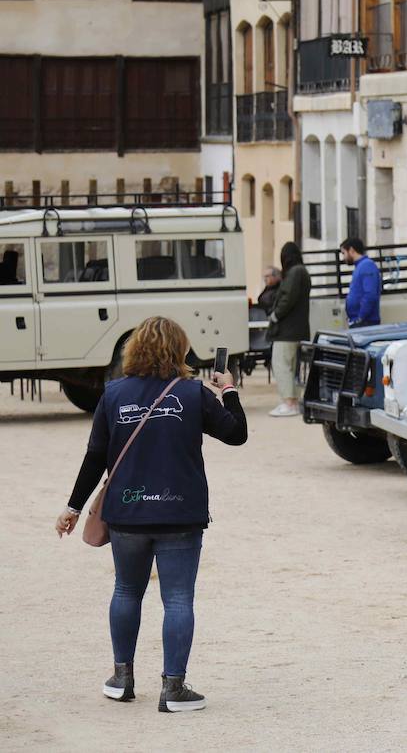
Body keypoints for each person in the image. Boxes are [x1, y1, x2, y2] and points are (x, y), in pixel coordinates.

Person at [55, 316, 247, 713]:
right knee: (178, 598)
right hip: (180, 511)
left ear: (134, 348)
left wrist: (73, 506)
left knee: (126, 591)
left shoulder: (113, 394)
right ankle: (174, 689)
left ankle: (121, 678)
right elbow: (236, 434)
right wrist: (227, 390)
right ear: (179, 351)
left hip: (127, 511)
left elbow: (95, 457)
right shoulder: (193, 394)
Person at [268, 243, 311, 416]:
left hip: (287, 330)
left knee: (281, 364)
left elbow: (287, 298)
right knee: (291, 367)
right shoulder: (302, 271)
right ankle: (293, 401)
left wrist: (275, 315)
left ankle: (289, 402)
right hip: (298, 329)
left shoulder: (295, 273)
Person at [340, 236, 380, 328]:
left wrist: (361, 317)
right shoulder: (361, 266)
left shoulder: (366, 266)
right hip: (360, 321)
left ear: (351, 250)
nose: (343, 257)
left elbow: (370, 295)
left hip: (365, 322)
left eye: (344, 253)